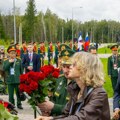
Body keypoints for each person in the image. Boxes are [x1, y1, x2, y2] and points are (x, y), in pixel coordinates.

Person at [35, 52, 110, 120]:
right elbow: (67, 114)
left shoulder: (99, 94)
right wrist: (50, 118)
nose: (70, 67)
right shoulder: (76, 89)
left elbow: (81, 117)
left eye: (74, 64)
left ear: (85, 69)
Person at [37, 46, 75, 116]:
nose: (65, 70)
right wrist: (48, 112)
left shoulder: (79, 84)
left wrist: (53, 107)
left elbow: (76, 110)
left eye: (68, 67)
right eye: (63, 66)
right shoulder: (59, 79)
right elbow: (53, 100)